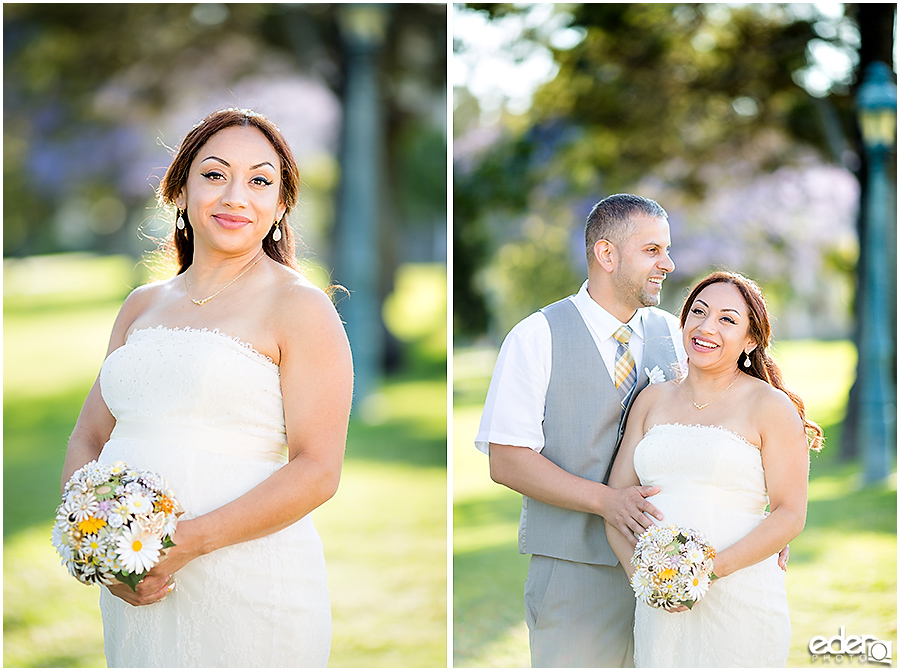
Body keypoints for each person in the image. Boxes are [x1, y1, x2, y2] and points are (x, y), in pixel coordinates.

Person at [59, 108, 353, 667]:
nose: (236, 196)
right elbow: (89, 438)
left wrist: (176, 545)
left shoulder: (301, 308)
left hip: (246, 582)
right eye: (215, 175)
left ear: (282, 205)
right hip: (137, 588)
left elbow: (318, 469)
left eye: (260, 181)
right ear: (180, 190)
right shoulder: (140, 306)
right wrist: (103, 552)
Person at [475, 194, 687, 667]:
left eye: (666, 250)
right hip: (571, 572)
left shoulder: (675, 335)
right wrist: (606, 501)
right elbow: (506, 460)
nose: (668, 264)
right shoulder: (536, 336)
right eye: (652, 250)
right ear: (606, 255)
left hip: (668, 567)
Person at [605, 270, 823, 667]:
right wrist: (650, 580)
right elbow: (617, 508)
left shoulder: (771, 407)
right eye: (698, 312)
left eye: (727, 319)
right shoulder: (650, 400)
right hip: (660, 605)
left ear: (751, 339)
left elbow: (790, 514)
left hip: (741, 596)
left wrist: (705, 573)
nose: (707, 327)